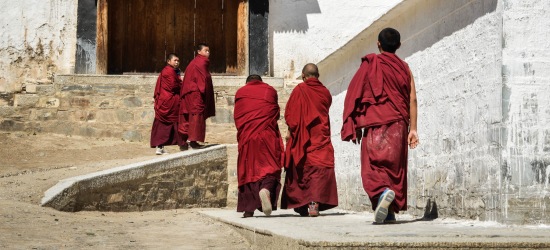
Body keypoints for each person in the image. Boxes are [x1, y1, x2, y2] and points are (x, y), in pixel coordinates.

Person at [341, 28, 419, 224]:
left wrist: (354, 124)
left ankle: (383, 192)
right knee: (394, 168)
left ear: (378, 44)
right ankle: (389, 212)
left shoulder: (370, 64)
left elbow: (355, 94)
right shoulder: (405, 68)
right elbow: (413, 99)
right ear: (399, 45)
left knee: (373, 167)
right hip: (399, 124)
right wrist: (414, 129)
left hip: (375, 122)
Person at [281, 63, 338, 217]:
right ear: (318, 76)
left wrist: (290, 132)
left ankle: (302, 202)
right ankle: (314, 202)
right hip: (320, 135)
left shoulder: (300, 90)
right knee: (319, 168)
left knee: (303, 167)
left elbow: (291, 116)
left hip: (303, 136)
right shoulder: (325, 93)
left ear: (303, 76)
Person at [234, 75, 284, 218]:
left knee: (248, 170)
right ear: (261, 81)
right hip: (267, 135)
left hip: (248, 136)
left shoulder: (240, 93)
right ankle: (266, 189)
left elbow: (238, 117)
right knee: (270, 167)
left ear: (247, 83)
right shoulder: (270, 91)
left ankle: (248, 209)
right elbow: (276, 113)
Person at [178, 43, 215, 149]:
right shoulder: (201, 62)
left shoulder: (196, 62)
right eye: (205, 50)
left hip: (192, 92)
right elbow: (203, 79)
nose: (208, 53)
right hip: (196, 93)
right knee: (196, 116)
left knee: (191, 116)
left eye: (208, 51)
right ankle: (193, 141)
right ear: (199, 52)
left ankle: (185, 141)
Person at [150, 53, 186, 155]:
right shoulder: (168, 71)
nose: (177, 62)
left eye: (178, 60)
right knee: (173, 123)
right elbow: (173, 86)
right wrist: (183, 85)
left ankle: (161, 146)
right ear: (169, 61)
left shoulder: (174, 71)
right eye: (175, 60)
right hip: (168, 101)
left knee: (166, 123)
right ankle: (181, 144)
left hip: (168, 101)